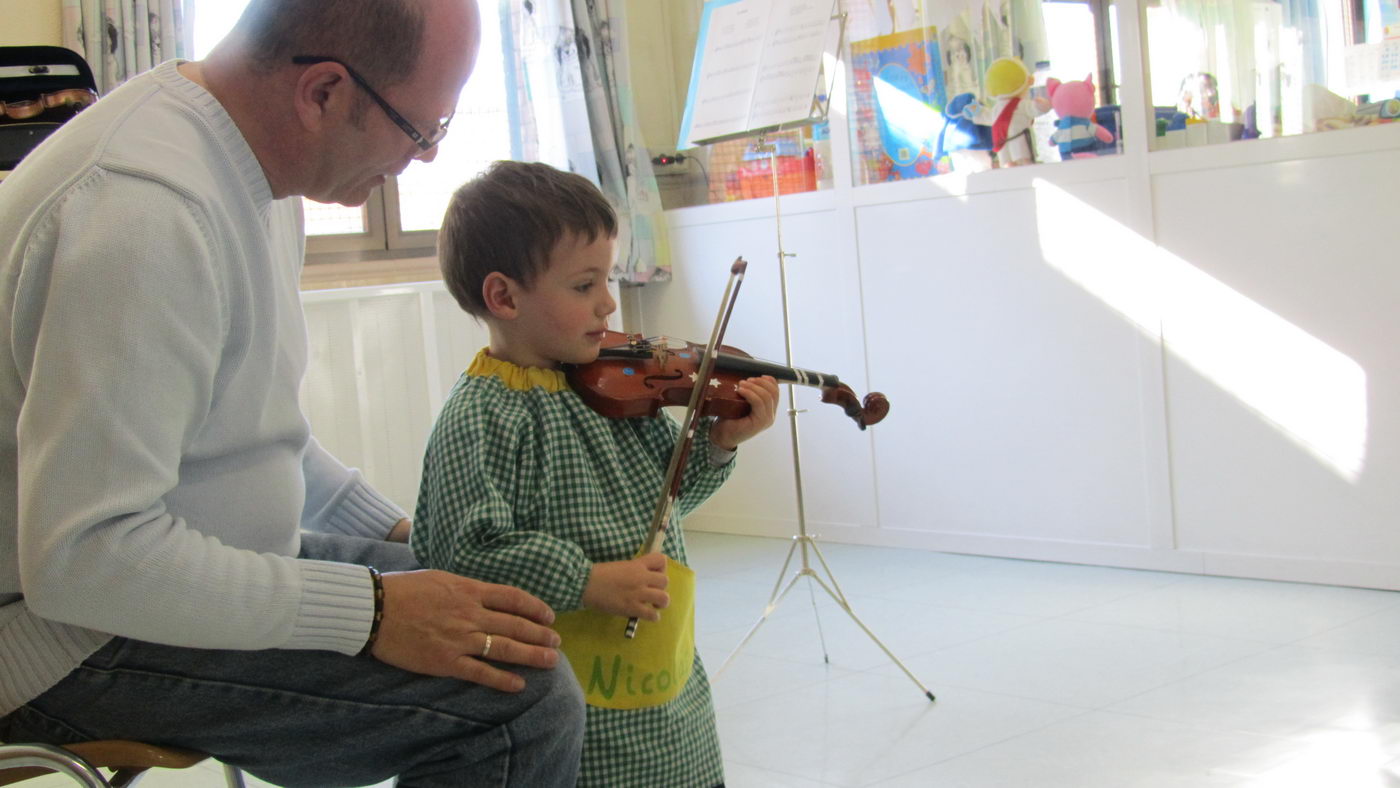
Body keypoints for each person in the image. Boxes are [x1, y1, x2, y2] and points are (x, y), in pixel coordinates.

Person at [0, 1, 585, 786]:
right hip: (64, 637)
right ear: (324, 92)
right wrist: (372, 613)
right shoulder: (142, 210)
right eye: (423, 132)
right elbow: (86, 559)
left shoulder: (253, 172)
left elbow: (251, 432)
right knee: (521, 700)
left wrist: (409, 536)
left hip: (192, 568)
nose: (426, 161)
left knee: (508, 611)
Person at [413, 160, 781, 788]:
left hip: (663, 683)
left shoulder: (614, 389)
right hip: (568, 692)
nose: (609, 303)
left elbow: (667, 501)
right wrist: (583, 580)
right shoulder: (481, 414)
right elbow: (462, 554)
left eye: (607, 278)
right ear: (504, 297)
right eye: (584, 285)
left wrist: (718, 446)